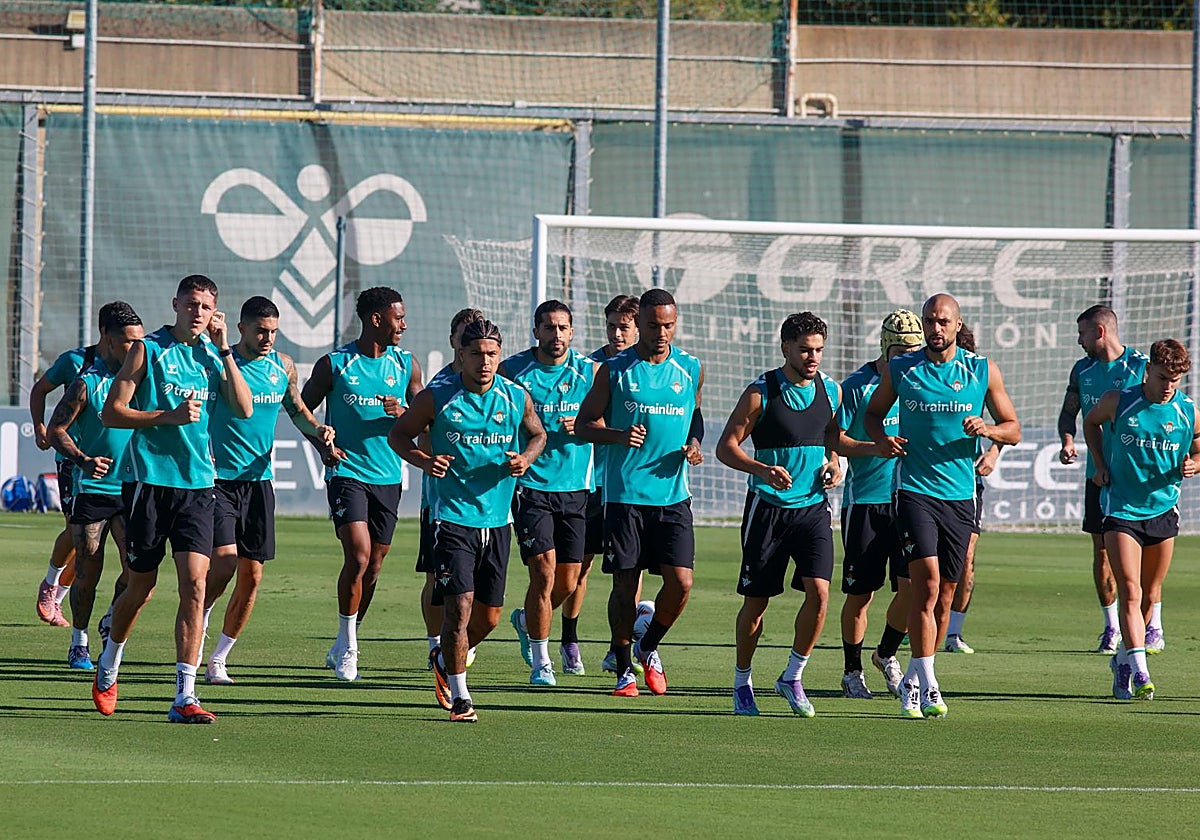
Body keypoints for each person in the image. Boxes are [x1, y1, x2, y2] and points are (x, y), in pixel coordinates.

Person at [93, 274, 253, 723]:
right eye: (191, 304)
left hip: (200, 487)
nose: (198, 313)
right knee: (141, 587)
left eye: (206, 306)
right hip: (150, 486)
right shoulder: (149, 349)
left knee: (196, 586)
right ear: (176, 305)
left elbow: (243, 407)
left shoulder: (212, 355)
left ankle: (184, 696)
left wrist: (224, 350)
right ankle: (109, 662)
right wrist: (169, 416)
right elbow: (112, 412)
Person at [865, 293, 1020, 719]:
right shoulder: (902, 368)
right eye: (929, 320)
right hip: (914, 491)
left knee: (946, 595)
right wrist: (881, 440)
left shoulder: (981, 370)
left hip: (960, 495)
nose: (935, 328)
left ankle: (914, 679)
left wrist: (988, 430)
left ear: (957, 325)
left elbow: (1014, 428)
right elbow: (873, 414)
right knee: (926, 584)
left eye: (943, 321)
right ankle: (930, 684)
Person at [389, 318, 547, 722]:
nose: (485, 361)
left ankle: (445, 658)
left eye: (492, 354)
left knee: (489, 617)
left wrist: (524, 460)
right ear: (461, 354)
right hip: (452, 519)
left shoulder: (515, 397)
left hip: (497, 521)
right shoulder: (437, 397)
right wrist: (426, 460)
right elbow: (398, 435)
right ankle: (462, 697)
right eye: (476, 353)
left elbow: (538, 435)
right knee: (459, 607)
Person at [716, 312, 847, 717]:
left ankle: (792, 676)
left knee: (821, 594)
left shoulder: (832, 391)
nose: (813, 358)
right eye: (805, 350)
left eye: (819, 350)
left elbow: (832, 440)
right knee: (757, 605)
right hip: (767, 512)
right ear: (785, 348)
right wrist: (763, 470)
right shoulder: (761, 392)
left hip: (812, 510)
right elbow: (726, 447)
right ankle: (742, 681)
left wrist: (835, 464)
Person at [199, 296, 335, 685]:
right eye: (261, 330)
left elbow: (296, 410)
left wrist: (320, 433)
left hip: (259, 484)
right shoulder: (219, 362)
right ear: (241, 328)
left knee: (252, 576)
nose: (267, 338)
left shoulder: (282, 366)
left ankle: (219, 658)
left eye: (273, 331)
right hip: (218, 479)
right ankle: (200, 616)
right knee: (224, 564)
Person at [577, 288, 704, 698]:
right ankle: (623, 666)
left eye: (669, 325)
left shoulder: (690, 367)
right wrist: (617, 434)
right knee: (624, 586)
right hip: (624, 496)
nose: (662, 332)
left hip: (673, 495)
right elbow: (584, 425)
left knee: (681, 583)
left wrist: (695, 444)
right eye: (653, 325)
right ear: (641, 325)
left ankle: (648, 646)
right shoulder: (614, 370)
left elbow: (694, 415)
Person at [301, 286, 422, 682]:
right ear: (376, 319)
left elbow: (425, 417)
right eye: (397, 317)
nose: (403, 324)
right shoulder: (335, 364)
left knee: (373, 567)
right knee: (358, 555)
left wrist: (404, 411)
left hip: (389, 476)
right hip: (347, 473)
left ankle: (343, 640)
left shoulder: (407, 364)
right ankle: (350, 646)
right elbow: (303, 410)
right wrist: (322, 441)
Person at [1083, 338, 1198, 701]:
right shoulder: (1120, 401)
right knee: (1129, 591)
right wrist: (1100, 466)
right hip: (1120, 511)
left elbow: (1198, 447)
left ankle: (1121, 662)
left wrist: (1195, 463)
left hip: (1163, 510)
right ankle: (1141, 670)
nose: (1168, 387)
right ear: (1148, 371)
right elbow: (1090, 424)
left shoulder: (1188, 411)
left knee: (1150, 596)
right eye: (1163, 377)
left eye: (1175, 381)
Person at [502, 300, 597, 686]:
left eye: (562, 328)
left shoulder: (591, 372)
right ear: (536, 331)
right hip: (531, 486)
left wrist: (589, 424)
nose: (555, 335)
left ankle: (526, 621)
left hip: (576, 488)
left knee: (569, 581)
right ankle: (542, 662)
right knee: (542, 572)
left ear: (572, 332)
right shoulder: (511, 370)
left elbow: (610, 419)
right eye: (548, 327)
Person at [46, 302, 144, 671]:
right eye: (128, 342)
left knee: (139, 573)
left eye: (140, 342)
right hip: (95, 490)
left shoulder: (143, 382)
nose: (136, 349)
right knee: (88, 570)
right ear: (107, 339)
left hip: (134, 487)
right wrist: (83, 459)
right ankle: (79, 642)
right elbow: (57, 430)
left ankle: (111, 619)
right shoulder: (87, 382)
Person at [836, 309, 923, 701]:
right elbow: (836, 441)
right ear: (886, 347)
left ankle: (886, 653)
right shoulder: (857, 385)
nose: (910, 355)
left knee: (913, 590)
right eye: (903, 348)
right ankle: (851, 671)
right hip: (866, 503)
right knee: (861, 595)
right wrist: (877, 447)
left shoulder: (921, 380)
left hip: (910, 501)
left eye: (915, 348)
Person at [1058, 305, 1150, 654]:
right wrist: (1067, 440)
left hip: (1136, 478)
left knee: (1144, 555)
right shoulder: (1082, 370)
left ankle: (1148, 622)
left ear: (1099, 332)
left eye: (1082, 333)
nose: (1078, 341)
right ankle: (1112, 627)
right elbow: (1069, 415)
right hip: (1097, 477)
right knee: (1101, 551)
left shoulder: (1140, 367)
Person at [415, 308, 484, 667]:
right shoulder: (439, 388)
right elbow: (420, 441)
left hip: (487, 506)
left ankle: (458, 643)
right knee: (437, 579)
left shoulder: (497, 385)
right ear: (454, 342)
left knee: (480, 592)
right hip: (442, 501)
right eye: (464, 335)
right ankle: (435, 644)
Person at [584, 294, 643, 678]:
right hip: (591, 480)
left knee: (630, 573)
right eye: (611, 326)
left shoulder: (653, 367)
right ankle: (562, 636)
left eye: (624, 326)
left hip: (628, 487)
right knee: (578, 569)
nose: (617, 333)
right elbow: (584, 420)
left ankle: (615, 649)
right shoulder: (593, 368)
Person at [29, 330, 104, 627]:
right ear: (107, 335)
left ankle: (59, 598)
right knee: (77, 533)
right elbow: (39, 389)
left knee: (94, 544)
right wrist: (39, 427)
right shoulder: (76, 361)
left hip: (114, 465)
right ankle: (50, 586)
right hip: (74, 461)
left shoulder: (131, 366)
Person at [943, 322, 1002, 655]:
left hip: (967, 484)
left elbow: (1008, 425)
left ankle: (953, 632)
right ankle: (917, 621)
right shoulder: (920, 375)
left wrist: (993, 450)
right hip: (920, 487)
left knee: (965, 558)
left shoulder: (975, 377)